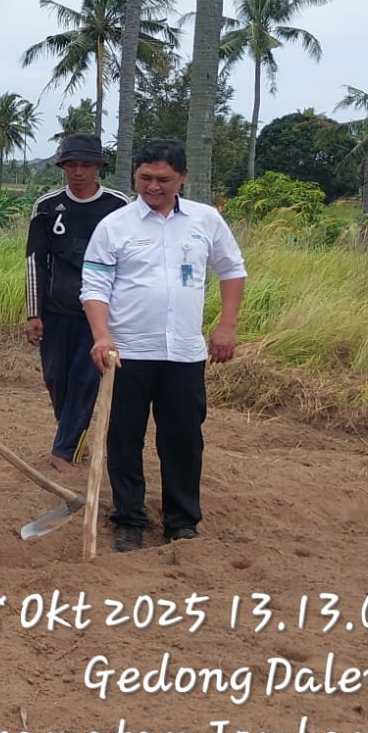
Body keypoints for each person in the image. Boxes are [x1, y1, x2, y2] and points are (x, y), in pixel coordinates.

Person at [80, 139, 247, 553]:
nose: (153, 186)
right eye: (145, 178)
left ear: (182, 177)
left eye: (163, 179)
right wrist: (102, 336)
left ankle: (182, 522)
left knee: (183, 440)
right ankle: (129, 519)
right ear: (134, 175)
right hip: (127, 354)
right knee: (124, 439)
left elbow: (231, 270)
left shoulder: (206, 220)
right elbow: (94, 286)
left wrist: (226, 327)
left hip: (184, 354)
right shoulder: (115, 226)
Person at [24, 133, 129, 472]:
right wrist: (34, 313)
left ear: (99, 167)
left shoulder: (118, 206)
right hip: (56, 310)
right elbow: (35, 261)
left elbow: (129, 263)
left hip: (98, 315)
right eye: (72, 165)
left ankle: (63, 450)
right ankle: (71, 434)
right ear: (63, 167)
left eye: (86, 165)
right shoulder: (47, 206)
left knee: (86, 380)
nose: (79, 172)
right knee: (56, 378)